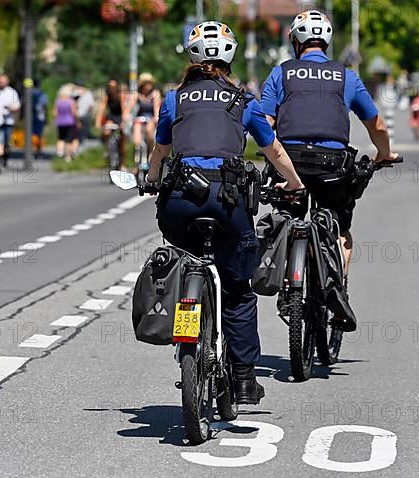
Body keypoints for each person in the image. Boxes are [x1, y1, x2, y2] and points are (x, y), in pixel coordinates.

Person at [146, 21, 305, 405]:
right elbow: (275, 152)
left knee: (184, 258)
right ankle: (245, 379)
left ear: (192, 55)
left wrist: (151, 180)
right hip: (228, 201)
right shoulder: (243, 101)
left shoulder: (174, 100)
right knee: (237, 290)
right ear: (230, 57)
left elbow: (160, 153)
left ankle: (186, 308)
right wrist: (295, 184)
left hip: (180, 202)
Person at [261, 10, 398, 332]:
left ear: (295, 41)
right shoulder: (346, 76)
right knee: (340, 230)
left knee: (284, 216)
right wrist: (384, 153)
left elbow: (265, 124)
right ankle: (336, 284)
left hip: (289, 160)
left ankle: (285, 280)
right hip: (332, 164)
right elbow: (375, 123)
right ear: (327, 42)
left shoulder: (280, 74)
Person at [130, 73, 161, 169]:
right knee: (137, 137)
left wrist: (156, 118)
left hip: (151, 118)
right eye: (146, 83)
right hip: (140, 118)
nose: (149, 85)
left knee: (149, 130)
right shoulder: (136, 94)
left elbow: (156, 109)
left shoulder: (155, 93)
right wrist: (127, 116)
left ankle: (151, 151)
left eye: (150, 83)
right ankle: (137, 159)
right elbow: (129, 107)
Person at [95, 79, 127, 170]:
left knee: (122, 141)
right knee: (106, 131)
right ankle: (108, 149)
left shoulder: (121, 95)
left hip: (120, 117)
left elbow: (124, 109)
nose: (111, 88)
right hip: (112, 117)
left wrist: (123, 121)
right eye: (110, 87)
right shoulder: (107, 96)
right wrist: (98, 121)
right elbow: (101, 109)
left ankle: (122, 163)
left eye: (113, 87)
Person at [54, 86, 79, 162]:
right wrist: (77, 121)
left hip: (60, 122)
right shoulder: (71, 101)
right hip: (69, 122)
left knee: (61, 138)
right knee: (69, 140)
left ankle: (60, 152)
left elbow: (55, 112)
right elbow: (74, 112)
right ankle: (67, 157)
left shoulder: (58, 101)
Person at [32, 79, 48, 158]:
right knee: (38, 134)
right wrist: (46, 118)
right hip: (40, 116)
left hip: (30, 117)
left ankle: (31, 148)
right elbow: (45, 106)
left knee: (30, 133)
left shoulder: (28, 93)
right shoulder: (42, 94)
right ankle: (37, 150)